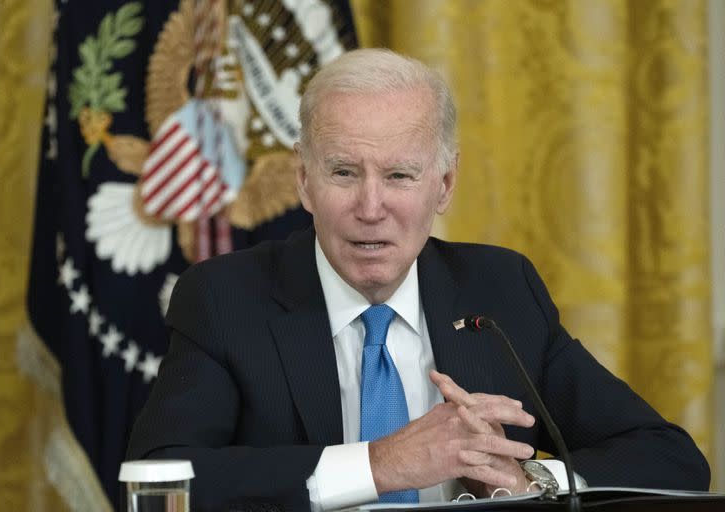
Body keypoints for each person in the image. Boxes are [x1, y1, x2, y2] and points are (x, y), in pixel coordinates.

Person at [127, 48, 710, 511]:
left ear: (445, 187)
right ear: (304, 182)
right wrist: (380, 464)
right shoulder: (227, 297)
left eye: (401, 174)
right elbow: (158, 480)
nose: (371, 206)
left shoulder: (501, 287)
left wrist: (530, 479)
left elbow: (670, 458)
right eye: (343, 172)